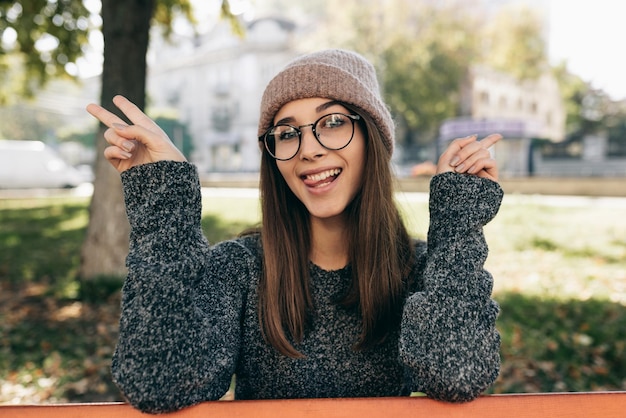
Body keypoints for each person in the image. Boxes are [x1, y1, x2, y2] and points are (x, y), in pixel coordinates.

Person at [86, 49, 503, 414]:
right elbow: (158, 383)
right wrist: (165, 204)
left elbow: (457, 376)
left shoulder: (423, 271)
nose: (308, 149)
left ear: (373, 140)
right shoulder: (240, 268)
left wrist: (458, 225)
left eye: (333, 122)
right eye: (286, 133)